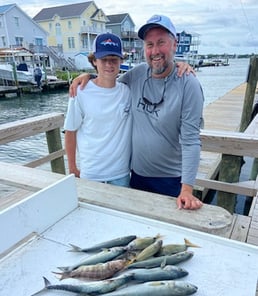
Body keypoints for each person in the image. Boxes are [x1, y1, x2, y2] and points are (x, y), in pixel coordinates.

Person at [69, 14, 204, 210]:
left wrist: (187, 189)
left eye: (161, 43)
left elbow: (192, 140)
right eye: (149, 45)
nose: (155, 50)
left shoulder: (189, 83)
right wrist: (87, 76)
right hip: (136, 176)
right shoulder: (137, 74)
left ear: (175, 44)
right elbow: (108, 83)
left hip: (171, 179)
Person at [64, 33, 132, 187]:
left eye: (114, 59)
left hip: (121, 174)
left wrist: (180, 65)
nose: (109, 65)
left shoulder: (128, 91)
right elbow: (70, 131)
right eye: (103, 59)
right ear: (94, 61)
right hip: (91, 174)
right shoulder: (80, 91)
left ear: (121, 61)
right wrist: (73, 167)